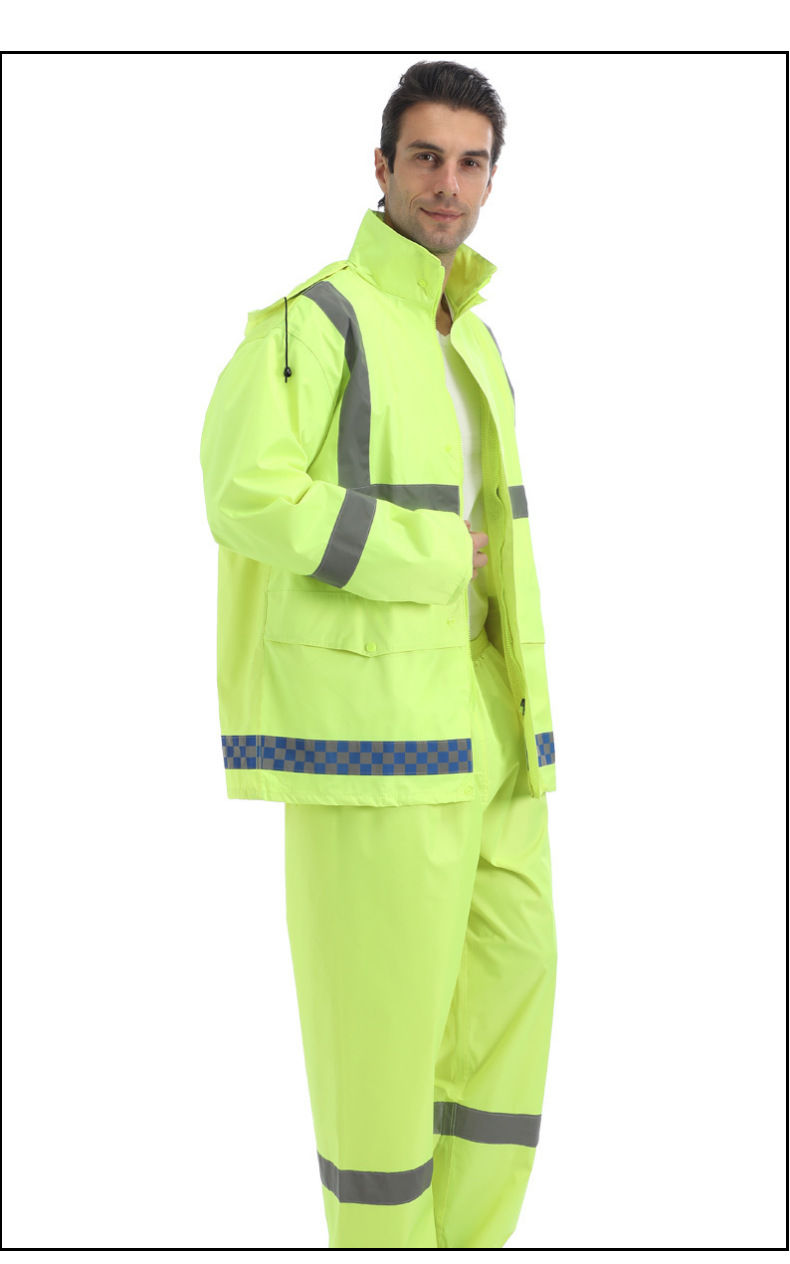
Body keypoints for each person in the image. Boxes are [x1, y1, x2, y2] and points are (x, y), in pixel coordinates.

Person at [200, 58, 558, 1249]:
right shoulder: (319, 318)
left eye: (470, 163)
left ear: (492, 177)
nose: (447, 184)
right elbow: (245, 492)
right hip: (376, 746)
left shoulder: (473, 339)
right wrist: (424, 552)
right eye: (425, 158)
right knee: (381, 1048)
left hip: (489, 730)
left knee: (510, 1009)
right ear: (382, 167)